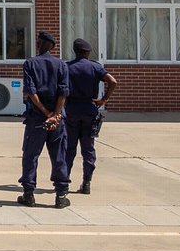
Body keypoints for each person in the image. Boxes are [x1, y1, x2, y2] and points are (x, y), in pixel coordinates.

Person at [19, 31, 70, 207]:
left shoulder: (30, 64)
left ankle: (29, 194)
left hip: (37, 118)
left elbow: (31, 91)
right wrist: (56, 114)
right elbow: (63, 92)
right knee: (58, 156)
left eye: (38, 41)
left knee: (31, 155)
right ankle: (61, 195)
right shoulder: (61, 65)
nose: (37, 44)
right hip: (57, 119)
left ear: (41, 43)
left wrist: (45, 112)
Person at [62, 38, 116, 195]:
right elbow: (113, 81)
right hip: (89, 109)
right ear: (88, 52)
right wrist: (104, 99)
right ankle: (86, 182)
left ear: (75, 51)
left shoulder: (67, 67)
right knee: (88, 148)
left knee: (69, 148)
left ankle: (64, 182)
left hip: (71, 109)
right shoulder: (95, 67)